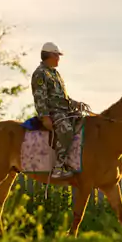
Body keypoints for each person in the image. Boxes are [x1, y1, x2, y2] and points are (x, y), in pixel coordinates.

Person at [30, 41, 88, 179]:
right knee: (66, 130)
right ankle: (58, 167)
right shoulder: (40, 73)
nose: (59, 59)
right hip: (54, 112)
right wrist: (45, 117)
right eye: (57, 56)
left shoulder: (55, 73)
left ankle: (74, 161)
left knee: (83, 124)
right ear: (50, 55)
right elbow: (40, 97)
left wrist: (75, 103)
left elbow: (62, 97)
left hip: (65, 110)